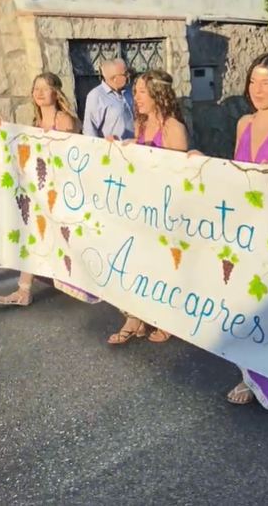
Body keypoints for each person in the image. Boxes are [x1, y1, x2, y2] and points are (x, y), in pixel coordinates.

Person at [188, 52, 268, 408]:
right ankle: (250, 374)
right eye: (252, 81)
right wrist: (204, 165)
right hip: (244, 232)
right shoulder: (243, 124)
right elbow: (236, 175)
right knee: (244, 303)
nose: (257, 89)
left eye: (266, 82)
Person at [0, 73, 99, 306]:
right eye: (35, 89)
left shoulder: (64, 120)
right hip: (41, 192)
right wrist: (5, 133)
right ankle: (24, 290)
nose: (39, 93)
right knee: (34, 234)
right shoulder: (35, 123)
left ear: (56, 93)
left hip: (62, 191)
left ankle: (92, 280)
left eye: (45, 88)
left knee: (64, 240)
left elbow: (70, 157)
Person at [108, 69, 188, 345]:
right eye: (135, 91)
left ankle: (168, 318)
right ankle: (135, 317)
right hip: (143, 207)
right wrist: (123, 149)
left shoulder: (174, 129)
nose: (135, 96)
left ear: (158, 94)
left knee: (163, 266)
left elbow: (179, 177)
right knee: (137, 262)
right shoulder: (141, 126)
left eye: (141, 91)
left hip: (165, 209)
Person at [83, 58, 135, 141]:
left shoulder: (130, 91)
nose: (128, 76)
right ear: (114, 78)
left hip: (137, 148)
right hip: (114, 149)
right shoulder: (96, 96)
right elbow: (90, 130)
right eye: (125, 74)